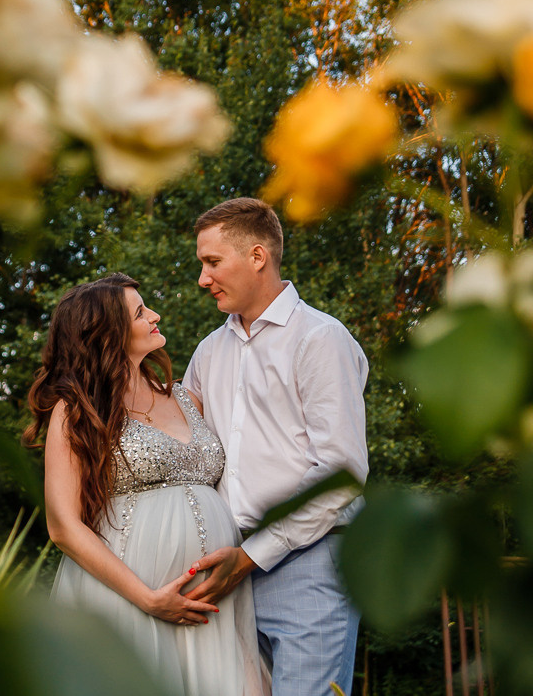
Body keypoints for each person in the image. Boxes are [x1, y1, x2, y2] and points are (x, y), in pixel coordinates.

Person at [25, 273, 266, 696]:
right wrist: (148, 598)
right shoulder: (77, 409)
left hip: (215, 601)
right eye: (140, 313)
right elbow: (63, 526)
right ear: (107, 334)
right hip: (130, 596)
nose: (154, 316)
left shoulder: (185, 396)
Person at [183, 197, 368, 696]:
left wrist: (251, 556)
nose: (202, 278)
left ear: (258, 256)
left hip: (313, 561)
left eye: (212, 262)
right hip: (229, 569)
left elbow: (341, 472)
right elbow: (184, 451)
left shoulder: (321, 338)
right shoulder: (207, 352)